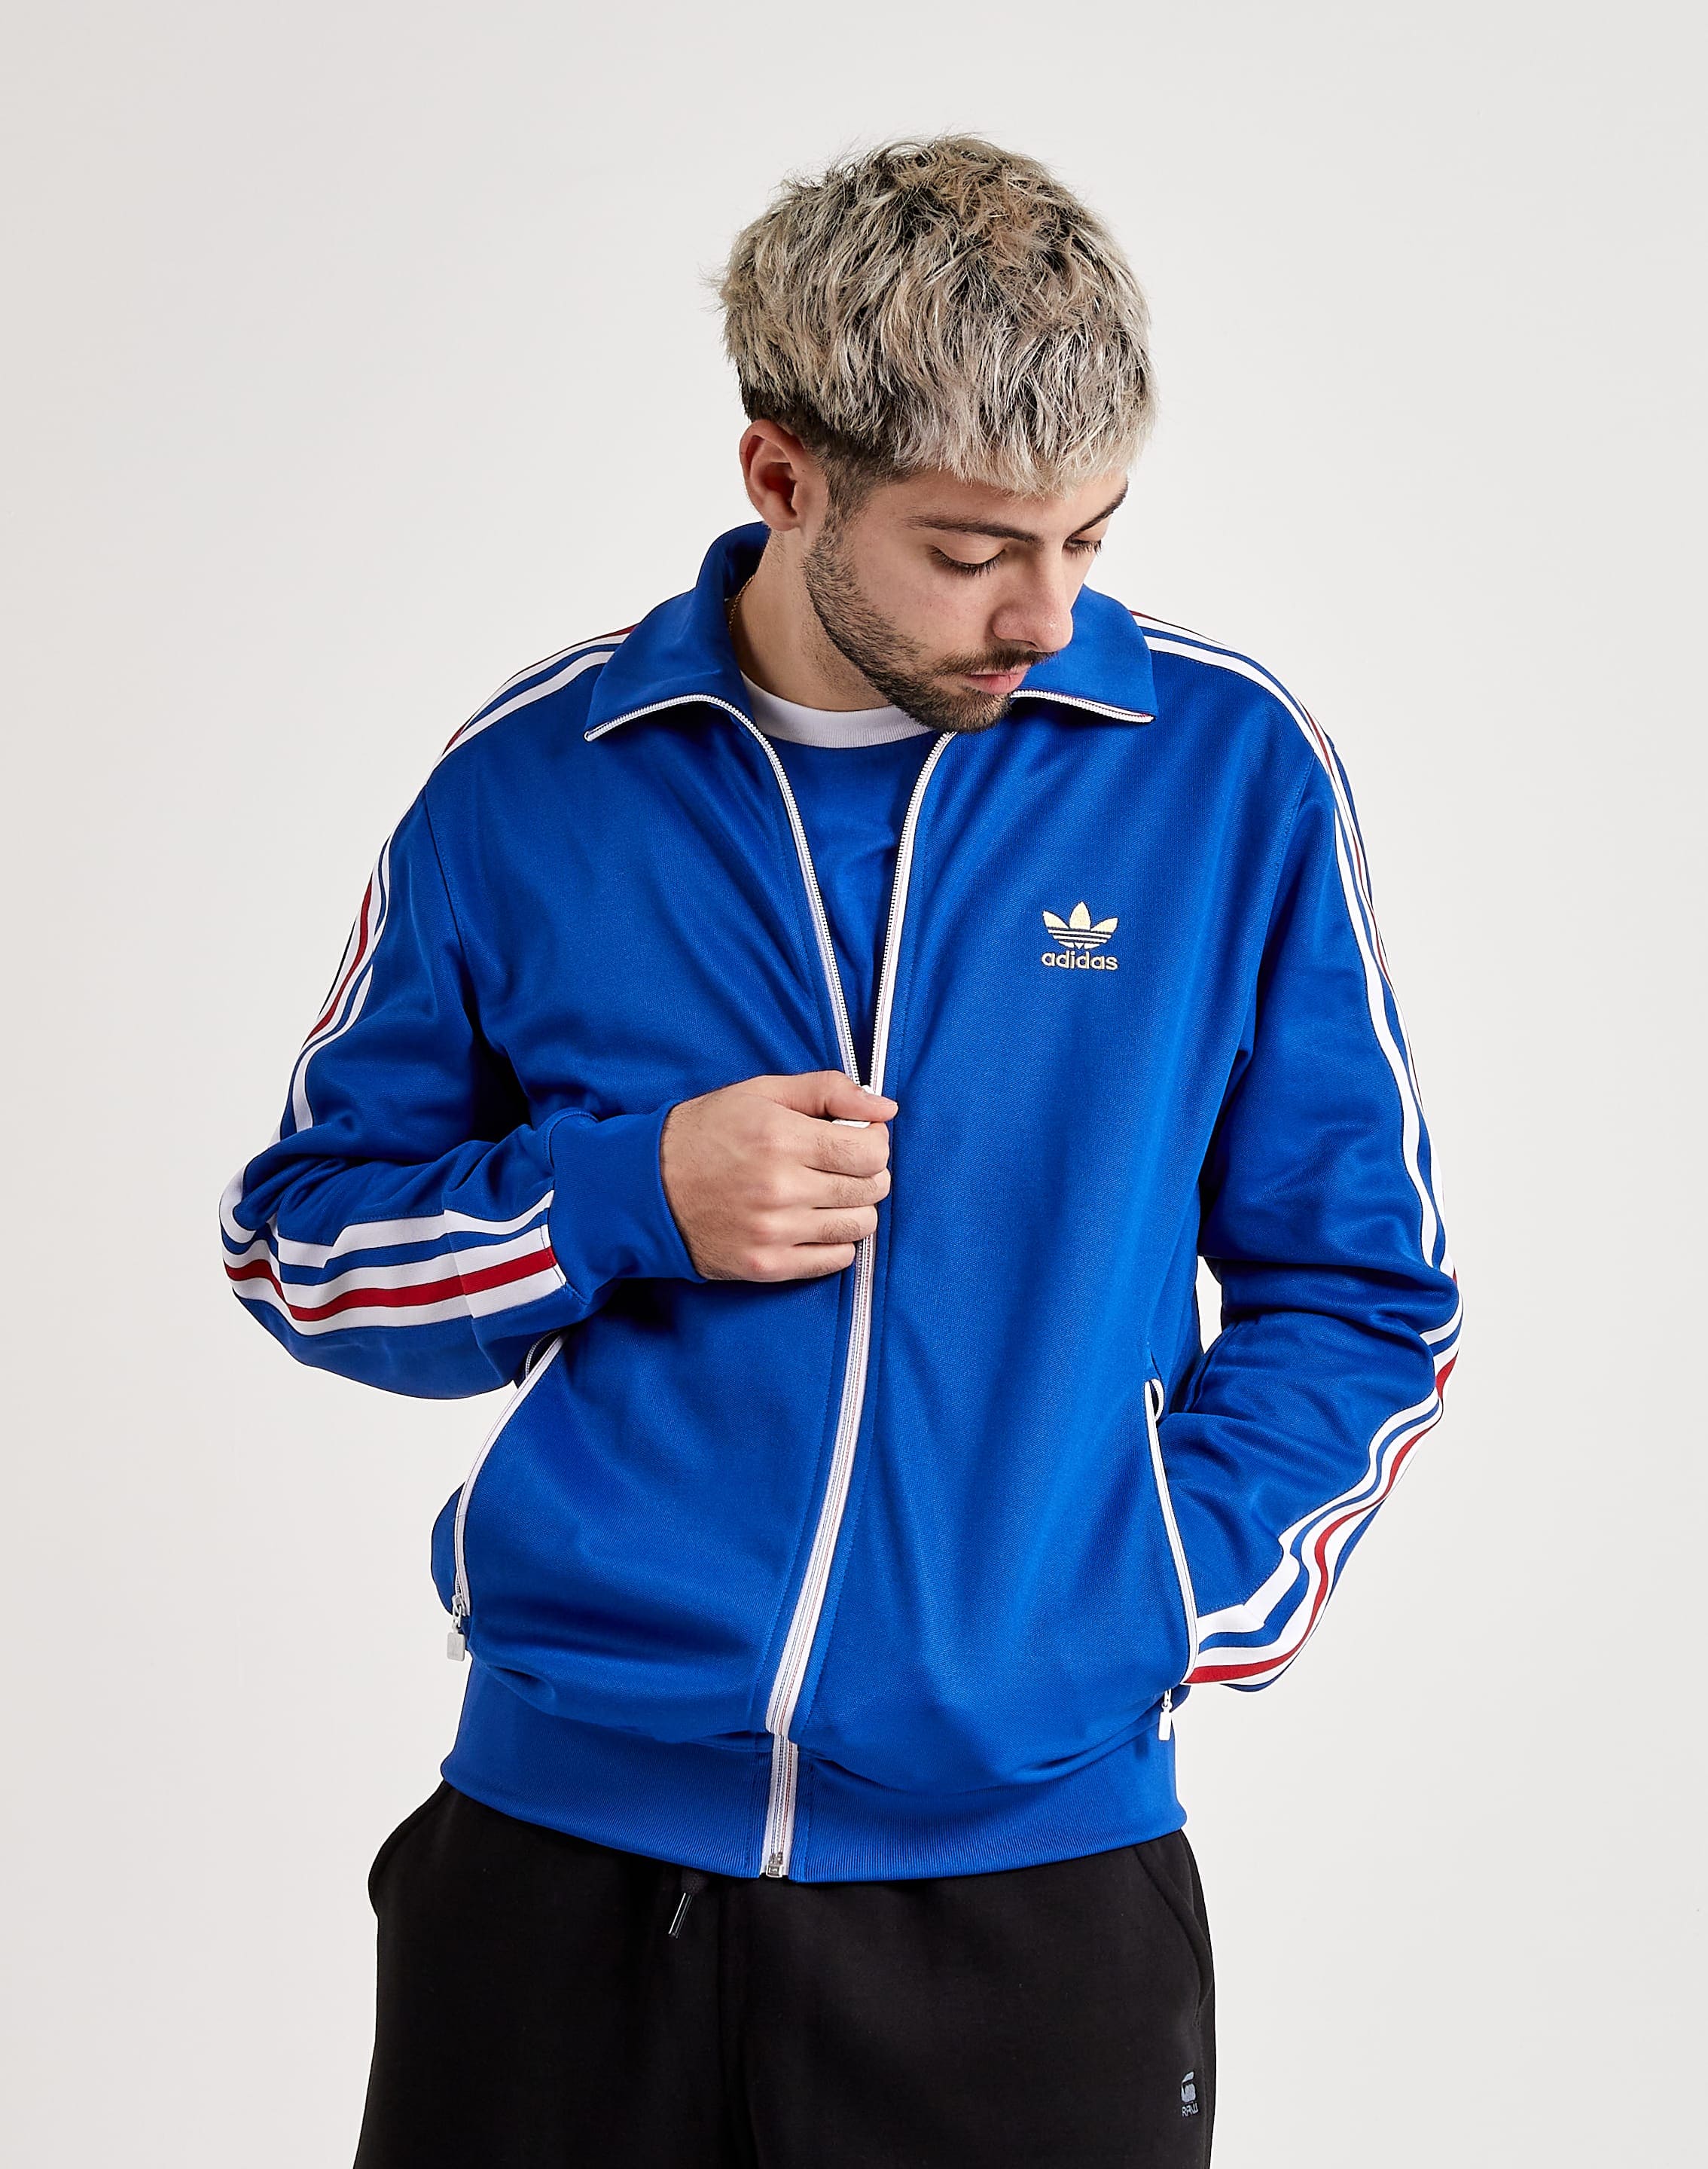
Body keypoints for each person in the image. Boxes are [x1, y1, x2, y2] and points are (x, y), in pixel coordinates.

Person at [221, 135, 1459, 2167]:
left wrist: (1153, 1592)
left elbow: (1362, 1289)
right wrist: (621, 1198)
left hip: (1029, 1905)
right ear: (782, 475)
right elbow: (300, 1252)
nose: (1045, 612)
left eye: (1087, 536)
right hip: (558, 1880)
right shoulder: (531, 790)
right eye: (971, 549)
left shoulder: (1224, 776)